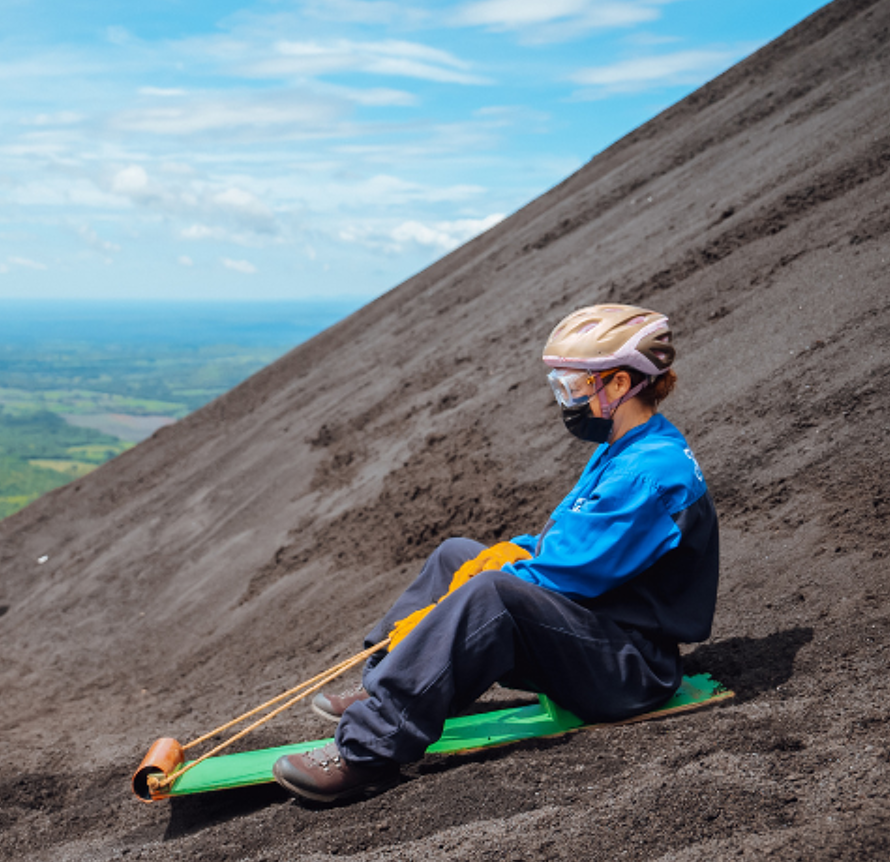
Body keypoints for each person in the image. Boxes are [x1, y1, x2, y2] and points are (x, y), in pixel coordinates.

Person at [273, 304, 718, 804]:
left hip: (631, 668)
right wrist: (502, 555)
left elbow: (562, 575)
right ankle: (392, 680)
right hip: (597, 631)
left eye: (575, 385)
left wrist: (481, 583)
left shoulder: (646, 474)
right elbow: (568, 539)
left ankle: (369, 749)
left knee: (492, 593)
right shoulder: (629, 446)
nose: (567, 399)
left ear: (618, 385)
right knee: (456, 555)